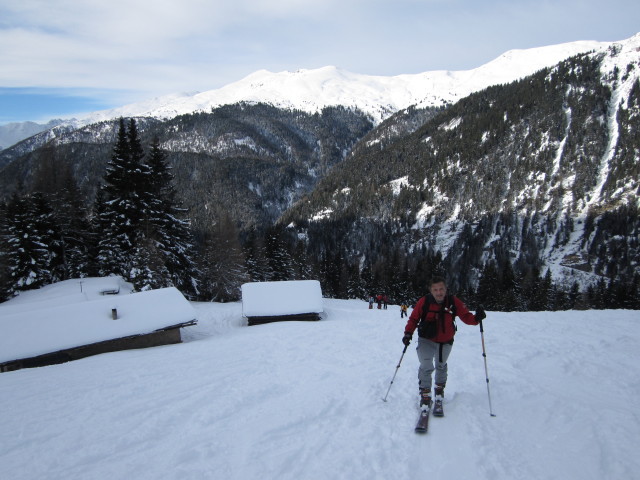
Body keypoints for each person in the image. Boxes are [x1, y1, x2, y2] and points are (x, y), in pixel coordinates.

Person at [402, 276, 486, 411]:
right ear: (431, 290)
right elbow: (414, 319)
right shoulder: (424, 302)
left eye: (441, 289)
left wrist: (476, 318)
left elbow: (465, 316)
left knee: (441, 365)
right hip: (426, 339)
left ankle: (439, 390)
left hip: (446, 340)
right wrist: (408, 333)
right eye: (435, 290)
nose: (439, 292)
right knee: (425, 365)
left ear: (446, 289)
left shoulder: (453, 301)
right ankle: (425, 393)